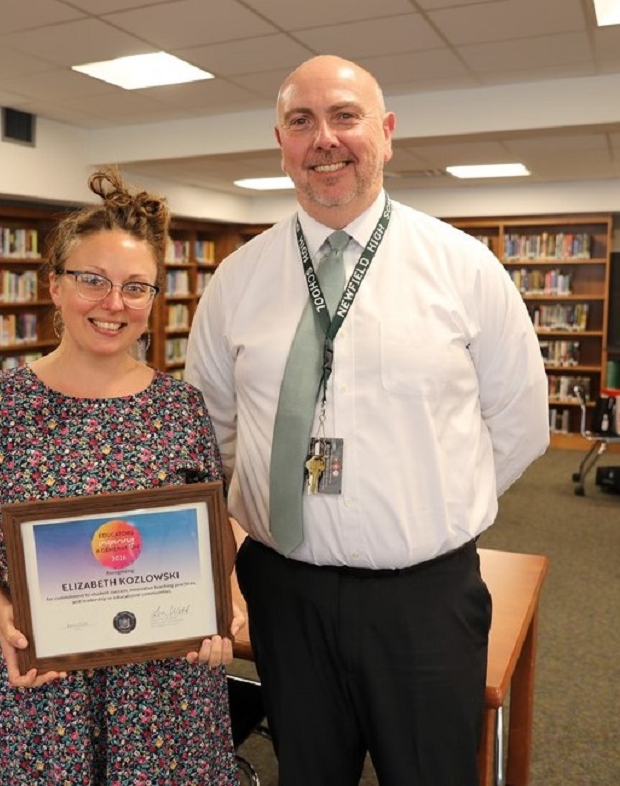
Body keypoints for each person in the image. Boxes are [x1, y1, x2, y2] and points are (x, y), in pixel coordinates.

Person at [185, 55, 549, 786]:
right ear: (281, 143)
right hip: (284, 594)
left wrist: (428, 500)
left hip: (424, 599)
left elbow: (518, 423)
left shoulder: (464, 267)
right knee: (309, 771)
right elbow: (212, 431)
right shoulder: (237, 280)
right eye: (302, 121)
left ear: (385, 134)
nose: (325, 138)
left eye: (345, 116)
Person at [0, 167, 242, 785]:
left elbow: (211, 524)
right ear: (55, 287)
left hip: (165, 690)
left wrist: (226, 598)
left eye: (135, 287)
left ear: (153, 299)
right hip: (44, 683)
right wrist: (4, 611)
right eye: (92, 280)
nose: (113, 304)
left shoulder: (181, 408)